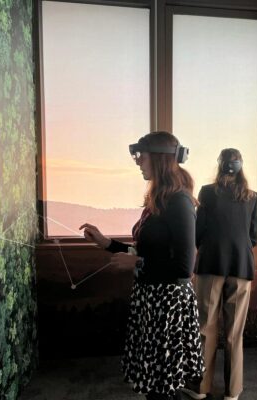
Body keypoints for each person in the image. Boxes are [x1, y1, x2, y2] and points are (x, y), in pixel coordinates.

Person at [80, 131, 204, 400]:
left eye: (141, 156)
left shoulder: (179, 202)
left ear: (159, 159)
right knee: (155, 385)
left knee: (162, 387)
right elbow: (145, 250)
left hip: (167, 307)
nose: (138, 162)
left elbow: (185, 267)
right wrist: (106, 243)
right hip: (152, 302)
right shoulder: (159, 199)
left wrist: (137, 262)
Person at [182, 148, 257, 400]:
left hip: (210, 265)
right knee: (234, 334)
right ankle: (232, 392)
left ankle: (200, 388)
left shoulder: (207, 192)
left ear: (220, 165)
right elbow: (254, 237)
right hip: (241, 268)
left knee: (205, 328)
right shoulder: (252, 196)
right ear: (241, 166)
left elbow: (198, 232)